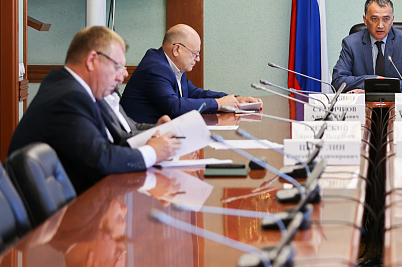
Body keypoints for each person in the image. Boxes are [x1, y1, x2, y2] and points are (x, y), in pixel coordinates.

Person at [8, 26, 180, 194]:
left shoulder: (74, 88)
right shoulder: (69, 97)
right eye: (117, 66)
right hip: (61, 216)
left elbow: (115, 140)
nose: (124, 74)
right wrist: (152, 152)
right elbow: (101, 159)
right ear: (92, 61)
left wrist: (156, 134)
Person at [120, 24, 262, 123]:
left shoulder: (170, 65)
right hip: (140, 137)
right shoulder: (156, 68)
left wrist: (234, 99)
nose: (198, 59)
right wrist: (218, 104)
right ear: (177, 50)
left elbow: (194, 93)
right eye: (195, 54)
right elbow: (174, 106)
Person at [331, 0, 402, 92]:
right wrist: (374, 80)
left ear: (392, 20)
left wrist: (374, 87)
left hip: (397, 105)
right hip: (363, 105)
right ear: (365, 20)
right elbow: (338, 81)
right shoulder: (351, 43)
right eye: (374, 19)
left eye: (386, 19)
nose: (380, 25)